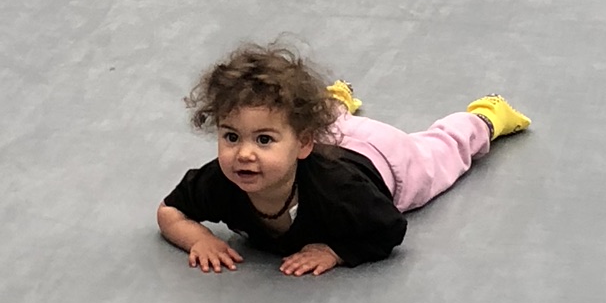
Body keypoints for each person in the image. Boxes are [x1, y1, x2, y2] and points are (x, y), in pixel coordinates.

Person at [157, 41, 530, 278]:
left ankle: (486, 117)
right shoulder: (222, 180)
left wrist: (336, 251)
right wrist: (199, 239)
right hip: (329, 135)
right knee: (326, 123)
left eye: (264, 139)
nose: (244, 153)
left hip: (385, 157)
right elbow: (170, 211)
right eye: (231, 137)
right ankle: (333, 104)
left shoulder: (341, 192)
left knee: (441, 151)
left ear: (303, 144)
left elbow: (389, 229)